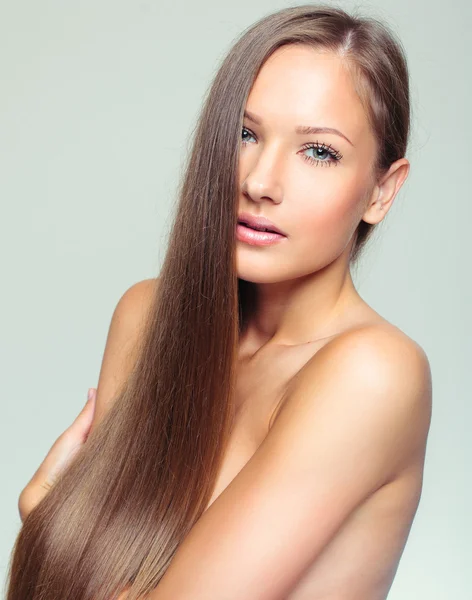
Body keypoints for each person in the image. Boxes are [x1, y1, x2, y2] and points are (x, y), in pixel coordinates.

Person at [9, 4, 432, 600]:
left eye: (318, 151)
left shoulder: (374, 373)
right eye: (245, 133)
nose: (259, 181)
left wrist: (45, 523)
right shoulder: (147, 318)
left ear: (382, 191)